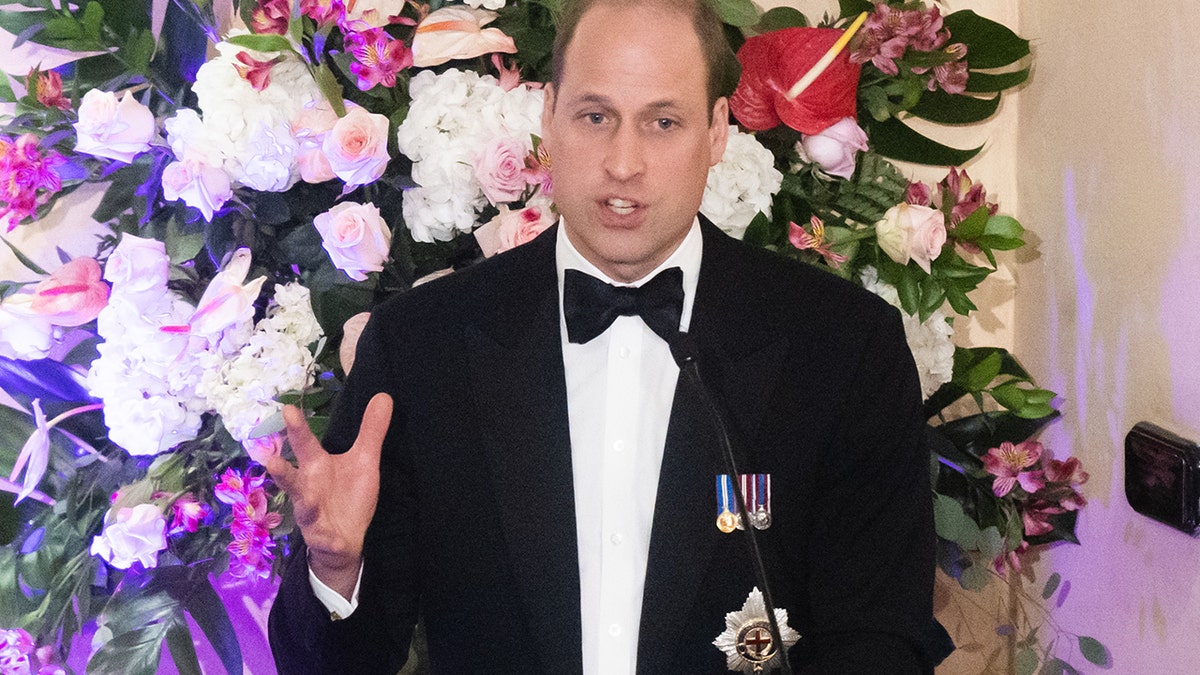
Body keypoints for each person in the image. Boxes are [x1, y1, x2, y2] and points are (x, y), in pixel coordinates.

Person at [266, 0, 936, 672]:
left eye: (663, 122)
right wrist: (335, 568)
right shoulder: (419, 345)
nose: (624, 162)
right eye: (595, 116)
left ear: (716, 133)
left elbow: (879, 637)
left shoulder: (845, 347)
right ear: (549, 116)